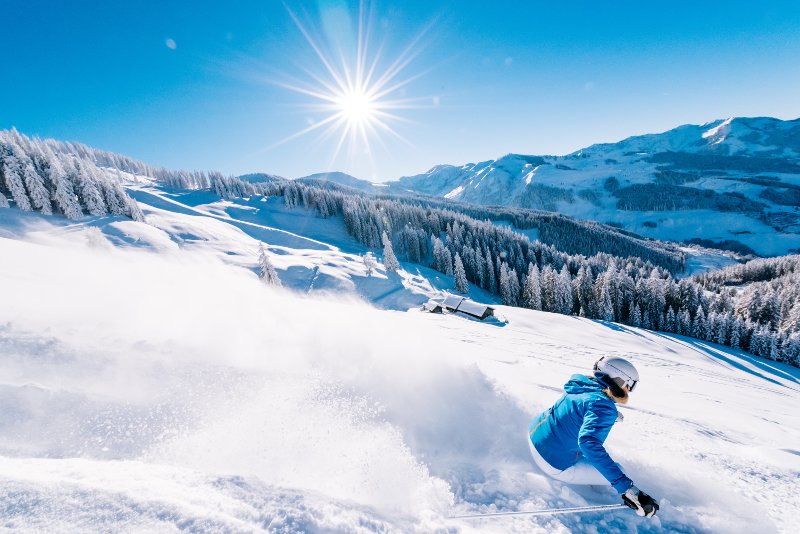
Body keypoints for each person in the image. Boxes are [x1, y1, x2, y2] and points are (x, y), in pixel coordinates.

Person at [528, 356, 659, 518]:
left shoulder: (582, 385)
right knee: (616, 467)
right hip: (552, 462)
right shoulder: (602, 406)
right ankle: (597, 496)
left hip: (535, 434)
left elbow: (581, 406)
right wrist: (628, 490)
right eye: (630, 385)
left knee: (591, 448)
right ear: (619, 380)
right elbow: (588, 444)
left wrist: (603, 414)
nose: (630, 391)